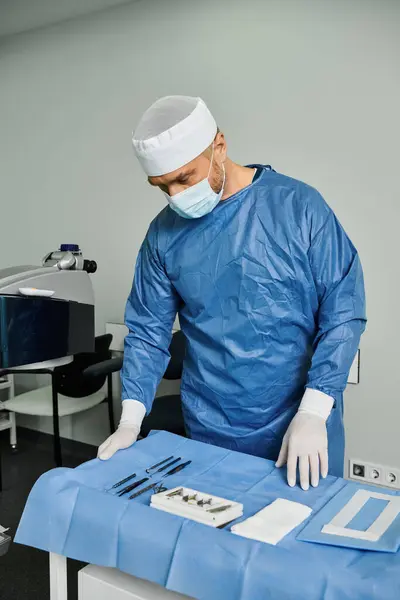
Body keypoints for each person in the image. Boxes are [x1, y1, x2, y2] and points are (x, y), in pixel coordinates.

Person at [98, 96, 366, 490]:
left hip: (300, 420)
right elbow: (147, 330)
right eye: (161, 186)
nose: (174, 196)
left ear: (219, 148)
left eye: (185, 178)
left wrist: (313, 411)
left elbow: (343, 313)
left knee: (296, 537)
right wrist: (131, 420)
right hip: (212, 422)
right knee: (218, 535)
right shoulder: (162, 235)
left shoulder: (297, 207)